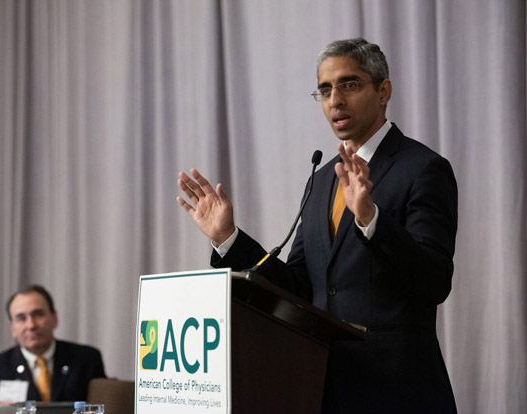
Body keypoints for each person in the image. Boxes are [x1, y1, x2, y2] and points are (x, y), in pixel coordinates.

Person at [177, 38, 458, 413]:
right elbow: (297, 288)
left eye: (350, 84)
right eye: (325, 90)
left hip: (398, 393)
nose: (335, 100)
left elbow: (433, 280)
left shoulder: (423, 168)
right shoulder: (322, 179)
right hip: (322, 388)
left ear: (384, 91)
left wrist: (370, 219)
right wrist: (229, 239)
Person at [0, 285, 106, 414]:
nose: (31, 325)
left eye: (38, 314)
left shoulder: (87, 359)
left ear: (54, 318)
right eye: (21, 318)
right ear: (13, 328)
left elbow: (103, 409)